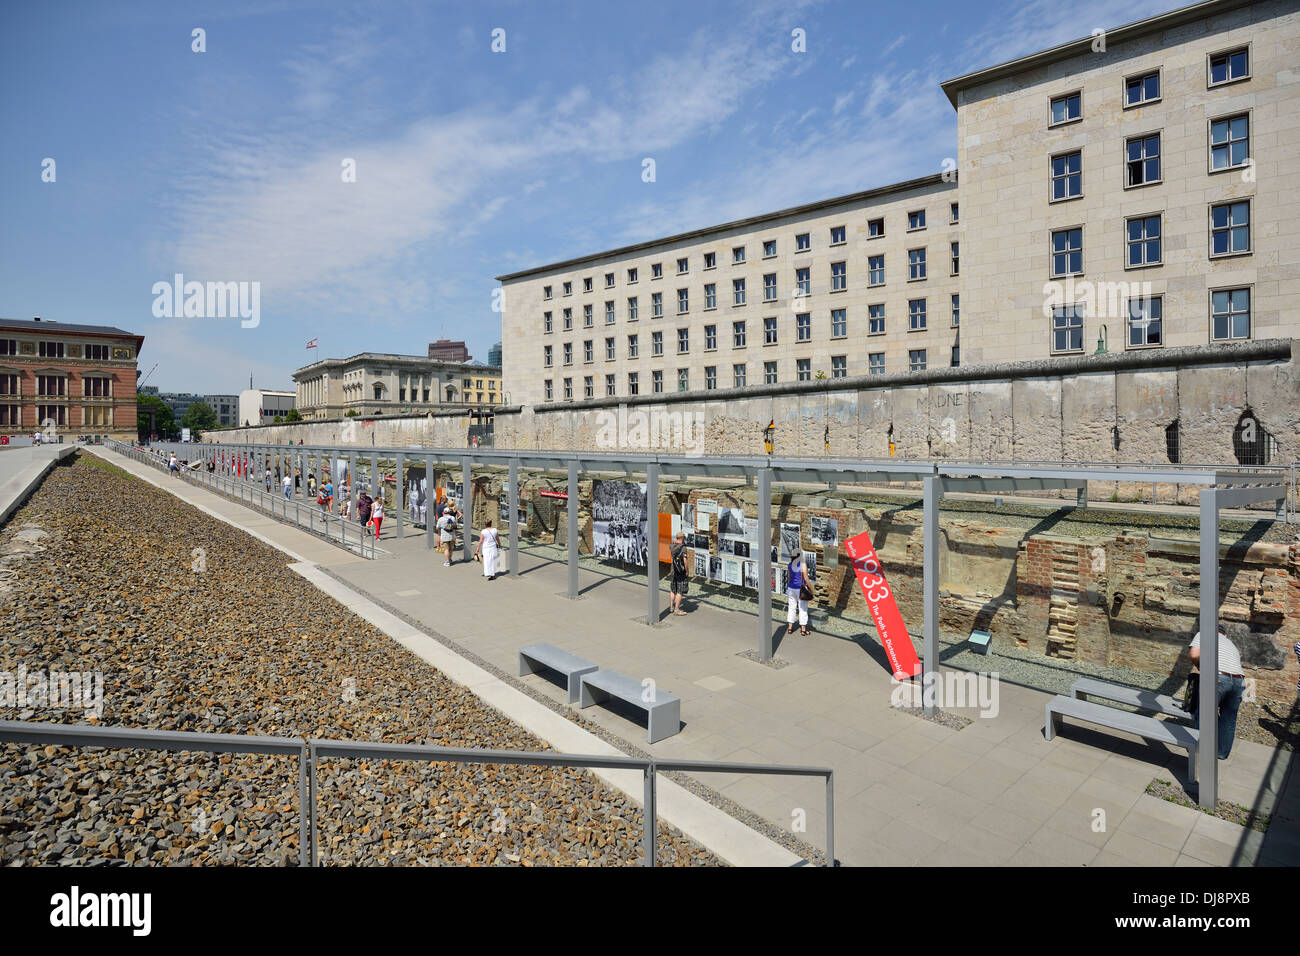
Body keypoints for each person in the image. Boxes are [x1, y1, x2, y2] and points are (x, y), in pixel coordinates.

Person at [1189, 627, 1245, 760]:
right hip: (1240, 681)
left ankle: (1202, 751)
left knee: (1205, 714)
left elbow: (1194, 654)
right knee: (1229, 719)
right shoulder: (1231, 644)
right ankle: (1221, 753)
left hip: (1219, 678)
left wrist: (1201, 667)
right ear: (1225, 634)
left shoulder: (1203, 633)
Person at [786, 553, 812, 636]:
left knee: (791, 607)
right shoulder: (802, 564)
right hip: (800, 589)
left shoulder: (790, 565)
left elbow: (789, 578)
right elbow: (806, 578)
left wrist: (790, 586)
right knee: (803, 608)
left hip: (791, 588)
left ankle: (790, 628)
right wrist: (811, 589)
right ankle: (803, 629)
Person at [669, 532, 689, 615]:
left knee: (673, 589)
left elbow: (671, 545)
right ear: (682, 538)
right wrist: (687, 571)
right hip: (680, 572)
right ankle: (677, 609)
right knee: (680, 591)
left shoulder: (672, 546)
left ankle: (671, 607)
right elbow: (685, 561)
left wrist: (674, 541)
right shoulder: (683, 548)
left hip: (673, 571)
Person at [437, 501, 458, 566]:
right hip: (451, 536)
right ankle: (450, 559)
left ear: (444, 512)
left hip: (444, 536)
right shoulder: (453, 518)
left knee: (446, 549)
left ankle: (447, 561)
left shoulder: (441, 519)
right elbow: (455, 527)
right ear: (449, 512)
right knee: (451, 549)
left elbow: (437, 528)